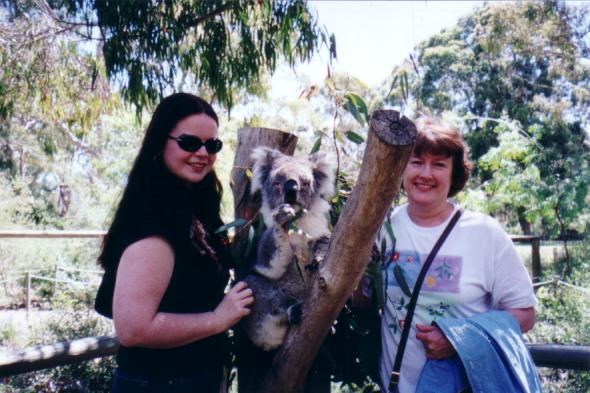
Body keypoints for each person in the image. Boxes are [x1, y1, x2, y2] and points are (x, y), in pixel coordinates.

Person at [94, 93, 254, 392]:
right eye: (189, 142)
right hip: (159, 383)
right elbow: (133, 329)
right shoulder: (154, 224)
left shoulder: (191, 210)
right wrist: (218, 319)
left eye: (212, 145)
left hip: (193, 378)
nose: (203, 152)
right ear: (161, 142)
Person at [377, 115, 537, 392]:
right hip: (395, 385)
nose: (425, 174)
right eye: (416, 162)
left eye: (438, 165)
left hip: (463, 386)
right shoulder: (381, 228)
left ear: (454, 174)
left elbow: (525, 313)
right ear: (401, 169)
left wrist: (459, 339)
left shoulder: (484, 233)